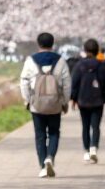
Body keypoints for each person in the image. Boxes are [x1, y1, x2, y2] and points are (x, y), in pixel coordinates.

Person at [19, 31, 71, 177]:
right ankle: (50, 158)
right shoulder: (61, 61)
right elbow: (67, 84)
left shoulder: (30, 61)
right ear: (52, 43)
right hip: (55, 105)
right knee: (54, 133)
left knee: (40, 135)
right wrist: (64, 102)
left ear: (38, 44)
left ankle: (43, 166)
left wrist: (28, 100)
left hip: (37, 105)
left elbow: (23, 83)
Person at [71, 37, 105, 162]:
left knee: (85, 126)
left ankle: (86, 150)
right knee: (95, 126)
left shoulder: (79, 65)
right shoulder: (102, 65)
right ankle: (93, 147)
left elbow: (75, 83)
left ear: (85, 50)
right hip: (97, 100)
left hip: (83, 100)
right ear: (97, 51)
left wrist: (73, 99)